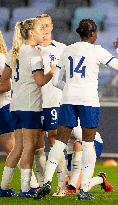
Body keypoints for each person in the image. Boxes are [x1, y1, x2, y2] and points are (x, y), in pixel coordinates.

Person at [34, 18, 118, 200]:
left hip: (68, 99)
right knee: (88, 145)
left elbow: (55, 81)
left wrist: (69, 88)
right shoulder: (97, 50)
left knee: (60, 141)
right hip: (89, 100)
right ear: (93, 34)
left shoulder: (67, 49)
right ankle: (84, 189)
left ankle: (46, 181)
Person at [0, 18, 55, 197]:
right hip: (30, 105)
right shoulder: (34, 54)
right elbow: (39, 81)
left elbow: (3, 78)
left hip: (15, 106)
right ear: (31, 32)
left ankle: (4, 187)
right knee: (30, 147)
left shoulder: (14, 52)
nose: (43, 32)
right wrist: (52, 71)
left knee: (17, 147)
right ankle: (25, 189)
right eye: (40, 29)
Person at [33, 13, 67, 189]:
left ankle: (62, 183)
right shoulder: (30, 49)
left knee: (55, 138)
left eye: (47, 25)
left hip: (55, 100)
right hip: (35, 102)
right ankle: (41, 183)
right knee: (37, 143)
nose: (44, 30)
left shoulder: (62, 49)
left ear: (52, 26)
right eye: (41, 26)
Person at [53, 124, 113, 196]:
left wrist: (85, 169)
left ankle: (79, 184)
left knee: (76, 188)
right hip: (73, 153)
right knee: (71, 186)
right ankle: (100, 179)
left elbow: (89, 146)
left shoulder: (75, 127)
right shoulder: (53, 127)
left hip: (93, 144)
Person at [0, 30, 15, 155]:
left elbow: (6, 85)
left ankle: (29, 175)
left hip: (3, 107)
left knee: (10, 148)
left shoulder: (0, 59)